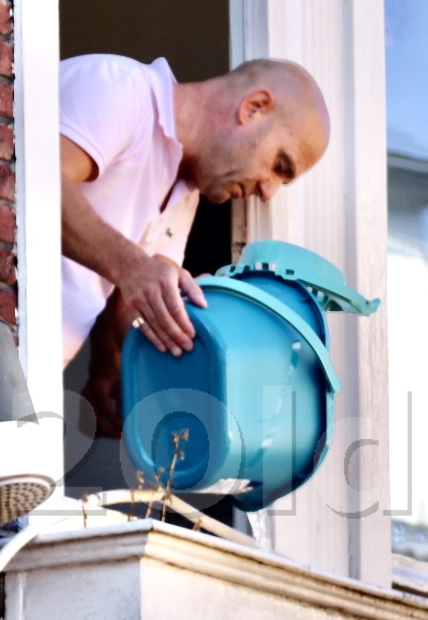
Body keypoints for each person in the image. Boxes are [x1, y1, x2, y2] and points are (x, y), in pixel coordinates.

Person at [59, 54, 331, 427]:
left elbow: (139, 302)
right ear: (254, 108)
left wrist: (118, 362)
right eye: (280, 165)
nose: (268, 191)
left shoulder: (187, 191)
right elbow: (33, 183)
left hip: (19, 370)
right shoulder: (122, 89)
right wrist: (130, 265)